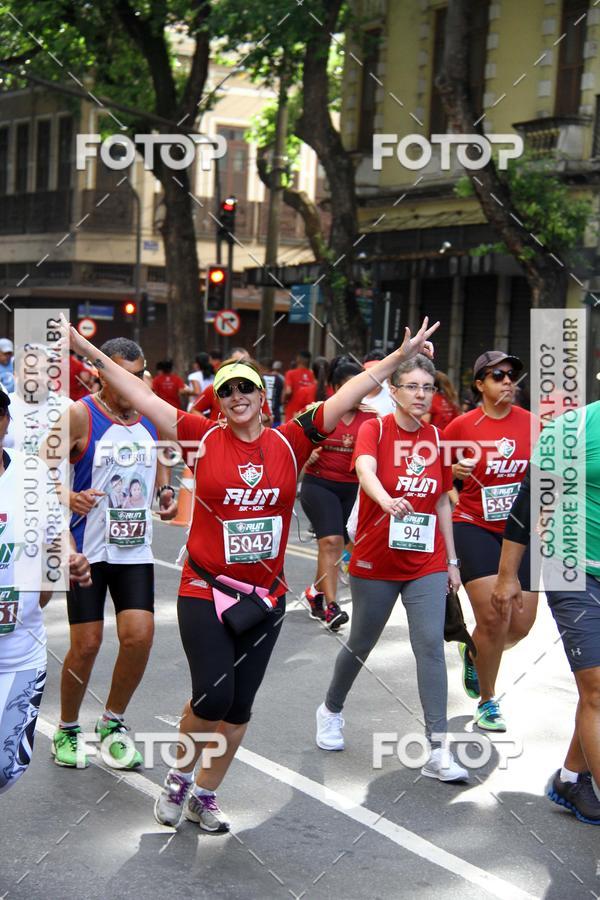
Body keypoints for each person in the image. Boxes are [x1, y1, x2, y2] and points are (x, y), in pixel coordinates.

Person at [60, 311, 439, 831]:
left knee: (238, 710)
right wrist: (86, 348)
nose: (239, 397)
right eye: (229, 391)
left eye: (248, 389)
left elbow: (350, 394)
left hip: (265, 597)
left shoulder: (292, 439)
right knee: (213, 697)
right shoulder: (201, 435)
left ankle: (205, 795)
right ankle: (178, 779)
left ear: (263, 397)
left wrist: (398, 357)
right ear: (219, 401)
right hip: (204, 588)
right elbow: (139, 393)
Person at [316, 353, 468, 783]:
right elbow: (364, 469)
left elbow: (440, 499)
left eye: (428, 387)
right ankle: (331, 708)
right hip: (375, 558)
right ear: (394, 391)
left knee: (429, 648)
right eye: (412, 387)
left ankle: (438, 749)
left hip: (426, 560)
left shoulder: (437, 438)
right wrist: (384, 499)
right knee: (362, 642)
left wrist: (452, 561)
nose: (421, 395)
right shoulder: (375, 428)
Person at [43, 337, 177, 771]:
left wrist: (165, 490)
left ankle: (113, 723)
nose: (133, 383)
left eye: (139, 375)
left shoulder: (151, 412)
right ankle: (66, 727)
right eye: (123, 374)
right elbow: (36, 471)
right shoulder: (80, 414)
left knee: (139, 637)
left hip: (134, 549)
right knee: (87, 644)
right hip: (86, 548)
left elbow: (161, 456)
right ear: (101, 373)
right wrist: (69, 496)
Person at [491, 400, 600, 825]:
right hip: (571, 569)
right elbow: (526, 503)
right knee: (596, 687)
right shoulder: (572, 430)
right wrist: (506, 576)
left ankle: (571, 777)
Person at [0, 390, 92, 794]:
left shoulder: (31, 473)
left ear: (4, 422)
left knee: (7, 768)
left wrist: (73, 559)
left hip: (20, 653)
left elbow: (57, 536)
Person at [442, 351, 538, 731]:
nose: (508, 382)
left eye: (513, 375)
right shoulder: (461, 427)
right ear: (480, 385)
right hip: (474, 525)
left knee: (520, 625)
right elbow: (436, 477)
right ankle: (488, 700)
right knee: (495, 617)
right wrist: (451, 472)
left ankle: (475, 650)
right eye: (498, 376)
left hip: (521, 532)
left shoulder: (534, 425)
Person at [300, 359, 376, 629]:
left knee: (343, 547)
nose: (355, 392)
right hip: (319, 485)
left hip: (354, 490)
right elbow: (288, 449)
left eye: (359, 386)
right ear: (333, 388)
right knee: (330, 541)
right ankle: (332, 607)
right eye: (347, 387)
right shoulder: (316, 412)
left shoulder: (372, 418)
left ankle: (315, 593)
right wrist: (305, 457)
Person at [5, 344, 72, 455]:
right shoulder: (5, 409)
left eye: (44, 370)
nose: (39, 377)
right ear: (15, 375)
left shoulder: (67, 408)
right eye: (31, 371)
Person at [283, 350, 315, 421]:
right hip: (309, 413)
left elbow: (288, 391)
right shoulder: (313, 375)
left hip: (293, 412)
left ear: (298, 359)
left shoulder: (290, 373)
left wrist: (284, 401)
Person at [259, 358, 284, 427]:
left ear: (261, 367)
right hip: (276, 417)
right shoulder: (279, 379)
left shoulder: (259, 378)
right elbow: (282, 399)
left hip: (262, 419)